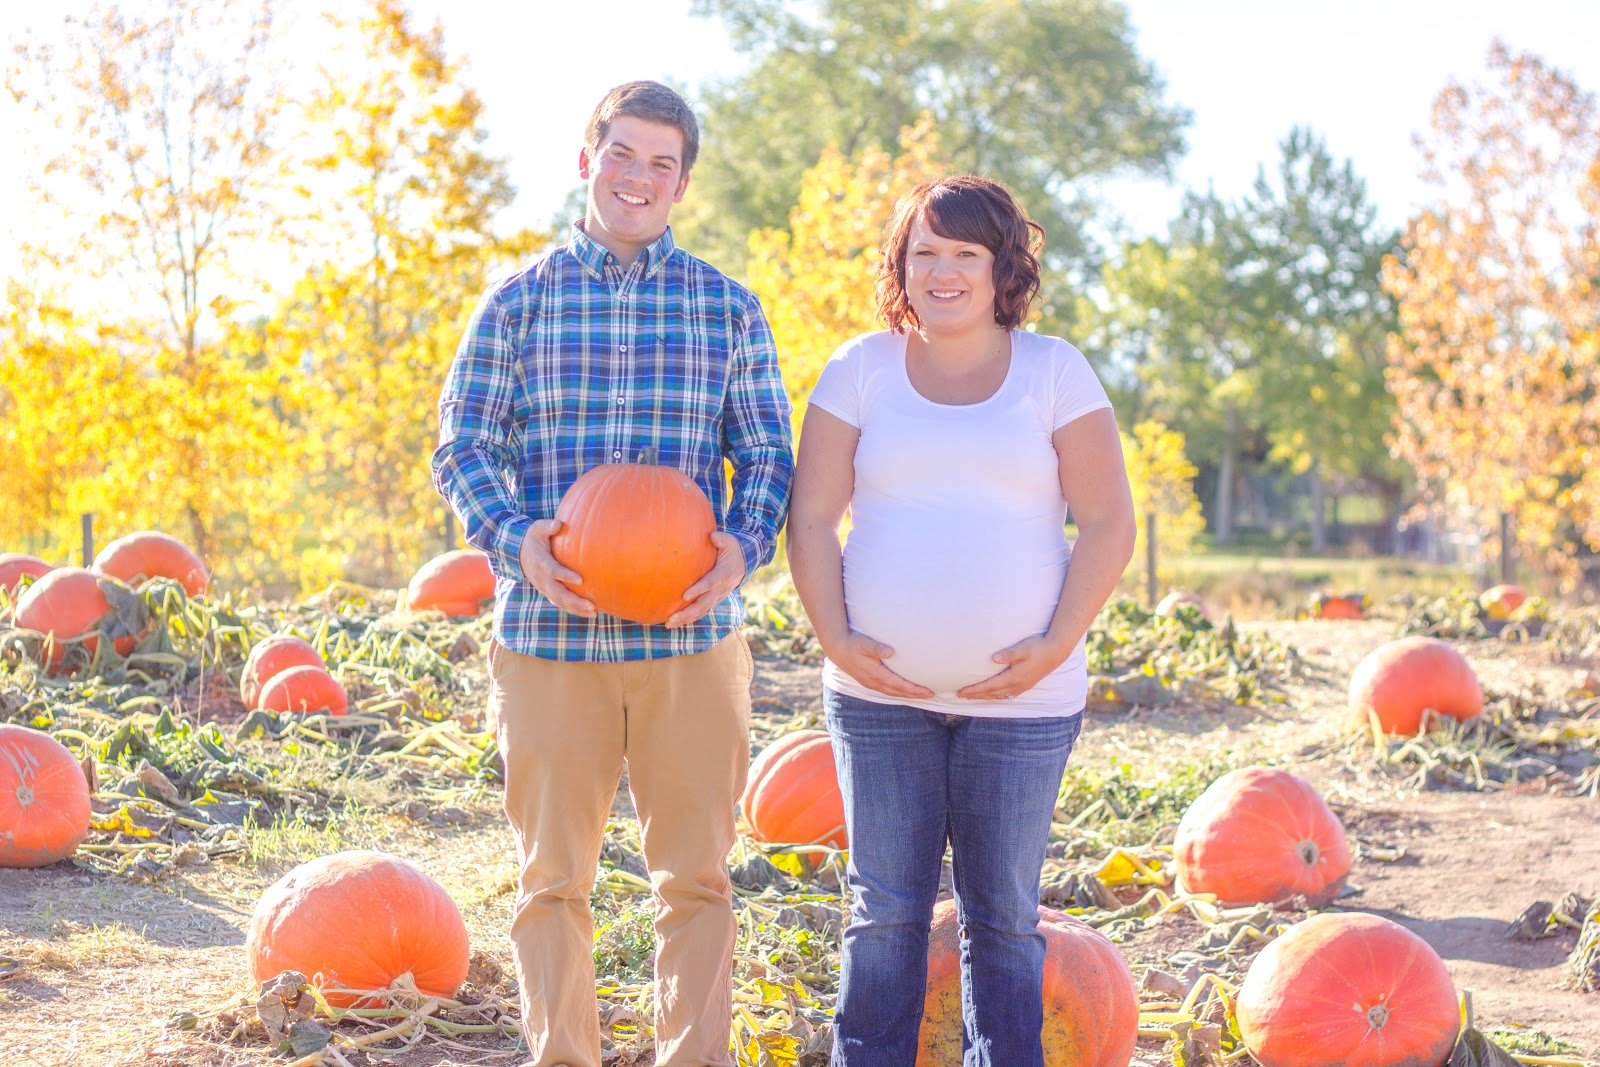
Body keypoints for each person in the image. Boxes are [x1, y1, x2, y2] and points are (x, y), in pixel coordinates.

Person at [431, 81, 793, 1067]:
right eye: (622, 154)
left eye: (661, 162)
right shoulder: (516, 301)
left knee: (697, 879)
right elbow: (461, 448)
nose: (639, 176)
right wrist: (517, 540)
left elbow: (766, 455)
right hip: (551, 638)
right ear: (586, 160)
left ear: (682, 182)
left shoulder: (727, 308)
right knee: (552, 878)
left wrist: (743, 542)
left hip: (691, 638)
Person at [787, 175, 1136, 1066]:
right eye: (924, 253)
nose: (943, 271)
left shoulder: (1053, 370)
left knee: (1004, 921)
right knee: (885, 913)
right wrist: (838, 641)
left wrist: (1055, 644)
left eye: (964, 254)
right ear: (901, 266)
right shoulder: (859, 367)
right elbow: (814, 518)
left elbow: (1107, 522)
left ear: (1001, 266)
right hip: (878, 700)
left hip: (1024, 704)